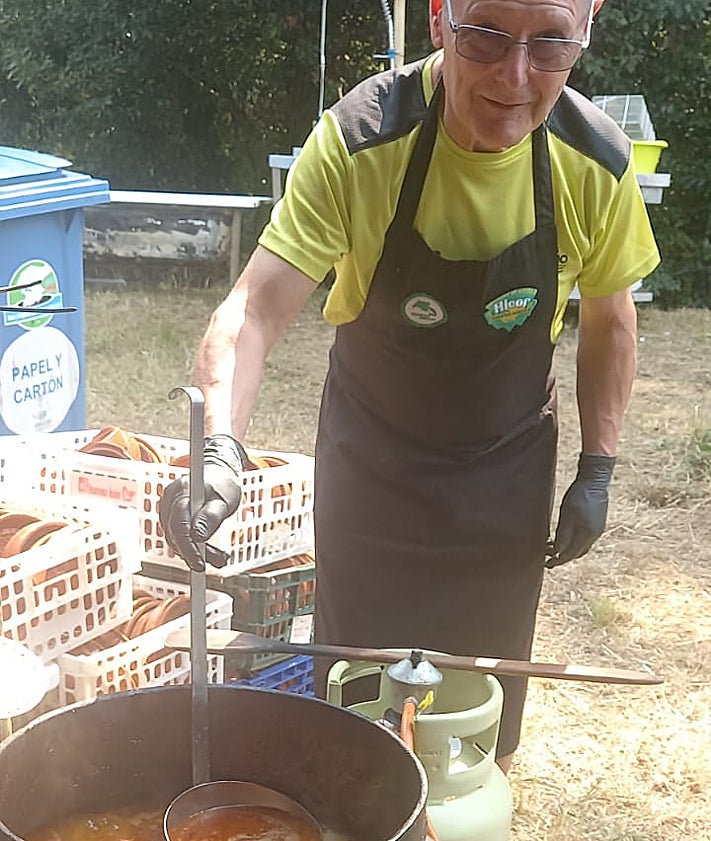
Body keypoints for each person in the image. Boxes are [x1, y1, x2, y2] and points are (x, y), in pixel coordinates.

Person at [159, 0, 660, 774]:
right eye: (487, 34)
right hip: (374, 467)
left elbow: (609, 322)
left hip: (505, 473)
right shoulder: (362, 138)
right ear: (438, 19)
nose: (515, 76)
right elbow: (255, 306)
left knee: (475, 726)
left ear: (584, 30)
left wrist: (597, 468)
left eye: (550, 44)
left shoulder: (594, 159)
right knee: (354, 718)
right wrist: (220, 448)